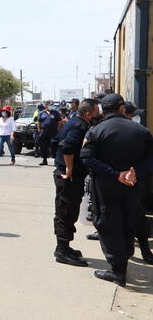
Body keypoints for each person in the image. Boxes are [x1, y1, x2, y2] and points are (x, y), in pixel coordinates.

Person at [80, 94, 153, 286]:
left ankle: (117, 271)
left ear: (104, 110)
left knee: (108, 225)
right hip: (132, 187)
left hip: (106, 189)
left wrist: (115, 174)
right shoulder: (141, 131)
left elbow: (87, 158)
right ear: (122, 108)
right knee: (128, 222)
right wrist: (134, 173)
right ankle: (123, 262)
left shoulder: (95, 131)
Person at [52, 99, 99, 267]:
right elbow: (67, 147)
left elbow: (57, 141)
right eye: (96, 112)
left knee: (69, 211)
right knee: (66, 212)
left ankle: (65, 247)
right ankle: (62, 251)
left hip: (68, 175)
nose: (98, 115)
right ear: (88, 114)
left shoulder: (73, 121)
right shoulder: (78, 126)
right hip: (69, 177)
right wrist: (69, 169)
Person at [123, 101, 153, 264]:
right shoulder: (109, 131)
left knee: (139, 218)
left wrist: (135, 174)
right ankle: (124, 255)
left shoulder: (143, 133)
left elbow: (150, 159)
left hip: (137, 183)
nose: (136, 118)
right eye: (133, 115)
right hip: (117, 182)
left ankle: (145, 251)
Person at [37, 100, 61, 166]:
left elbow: (59, 122)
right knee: (43, 147)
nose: (51, 106)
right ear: (46, 106)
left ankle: (56, 161)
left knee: (54, 147)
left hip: (53, 132)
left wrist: (58, 131)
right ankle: (44, 160)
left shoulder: (56, 113)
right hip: (44, 132)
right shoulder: (41, 113)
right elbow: (38, 123)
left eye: (52, 105)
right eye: (50, 105)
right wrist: (39, 131)